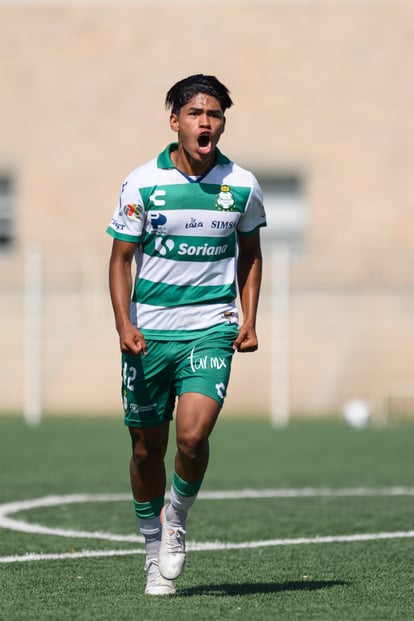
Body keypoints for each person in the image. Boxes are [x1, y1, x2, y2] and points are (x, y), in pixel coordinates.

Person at [107, 74, 266, 596]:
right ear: (175, 121)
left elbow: (250, 253)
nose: (207, 123)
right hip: (149, 336)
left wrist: (248, 318)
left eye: (215, 115)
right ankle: (153, 549)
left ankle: (176, 516)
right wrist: (124, 324)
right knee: (147, 450)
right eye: (197, 113)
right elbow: (120, 259)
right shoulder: (141, 183)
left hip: (210, 330)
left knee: (194, 438)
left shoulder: (240, 184)